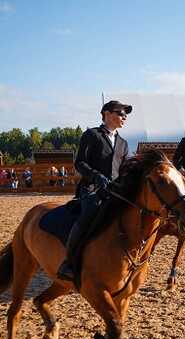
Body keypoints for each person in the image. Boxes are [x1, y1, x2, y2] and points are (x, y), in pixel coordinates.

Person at [57, 100, 131, 281]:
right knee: (89, 214)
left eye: (125, 114)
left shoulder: (123, 143)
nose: (124, 117)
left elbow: (126, 168)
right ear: (106, 113)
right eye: (120, 113)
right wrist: (96, 176)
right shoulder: (91, 135)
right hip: (91, 188)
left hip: (115, 191)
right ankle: (70, 263)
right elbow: (80, 163)